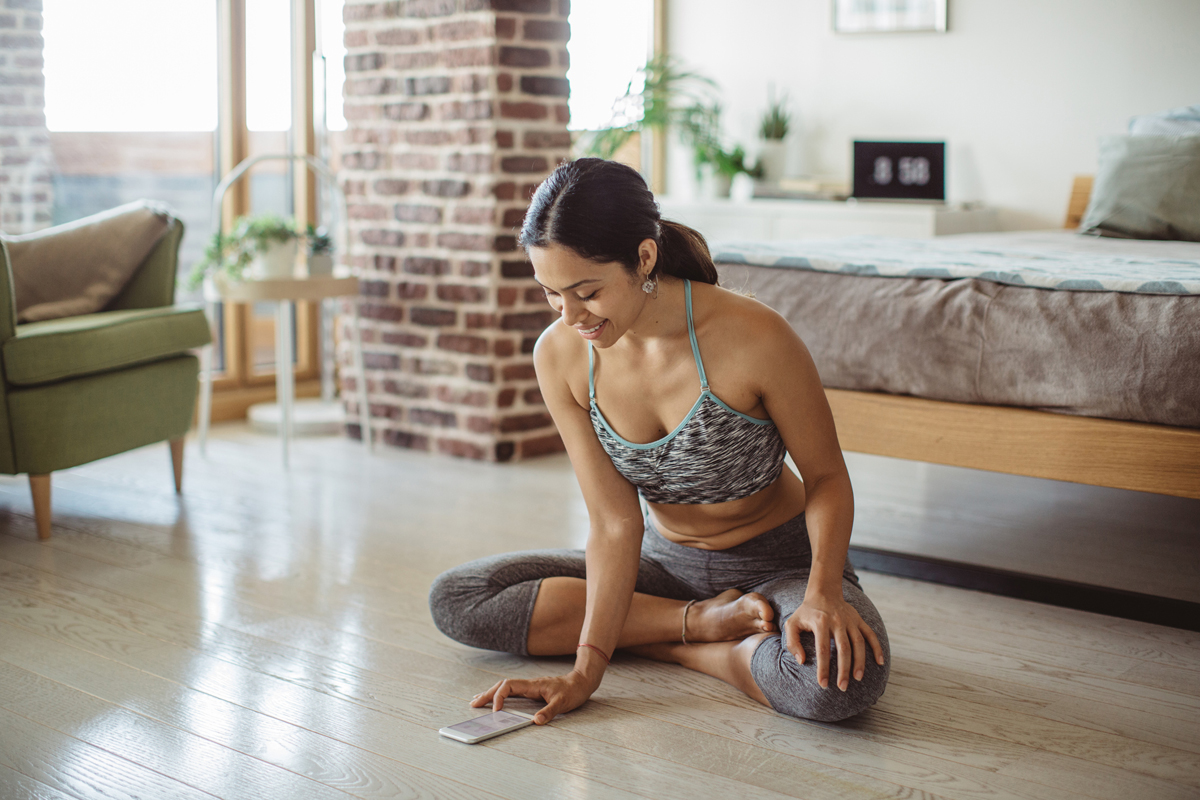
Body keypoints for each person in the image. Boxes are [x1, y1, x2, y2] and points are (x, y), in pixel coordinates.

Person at [429, 158, 889, 724]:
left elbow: (826, 478)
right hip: (663, 568)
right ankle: (701, 632)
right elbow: (616, 522)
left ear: (644, 258)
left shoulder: (755, 336)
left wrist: (823, 594)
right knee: (461, 598)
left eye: (587, 291)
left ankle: (687, 642)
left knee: (840, 684)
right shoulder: (560, 356)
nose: (570, 315)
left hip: (783, 565)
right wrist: (584, 674)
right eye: (551, 293)